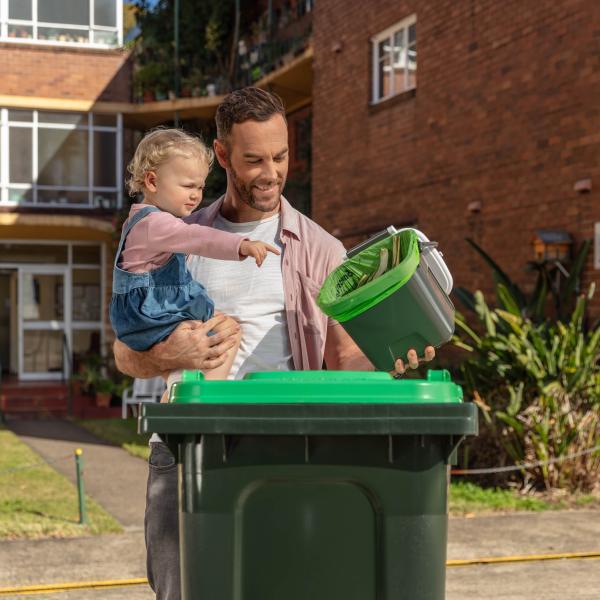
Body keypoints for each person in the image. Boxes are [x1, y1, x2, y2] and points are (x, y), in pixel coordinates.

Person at [114, 87, 435, 600]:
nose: (271, 172)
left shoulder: (321, 249)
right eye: (254, 159)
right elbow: (124, 351)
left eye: (281, 155)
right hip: (185, 451)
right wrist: (172, 355)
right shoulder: (175, 234)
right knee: (182, 591)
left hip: (285, 449)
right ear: (221, 155)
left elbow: (344, 354)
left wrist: (390, 363)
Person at [110, 128, 280, 397]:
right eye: (188, 186)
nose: (196, 195)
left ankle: (178, 396)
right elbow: (198, 237)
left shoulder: (142, 221)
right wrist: (241, 245)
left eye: (200, 186)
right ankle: (202, 402)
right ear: (152, 181)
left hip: (144, 315)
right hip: (151, 314)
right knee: (224, 335)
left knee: (214, 331)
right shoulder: (157, 224)